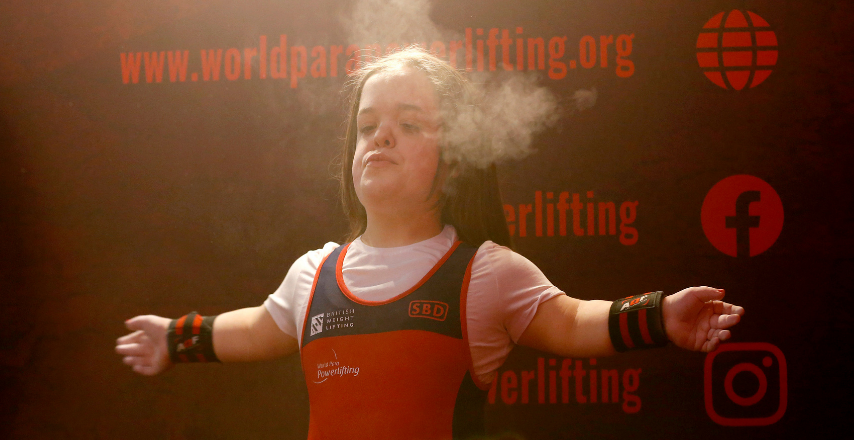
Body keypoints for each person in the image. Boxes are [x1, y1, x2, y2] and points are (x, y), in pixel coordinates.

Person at [116, 47, 744, 439]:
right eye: (368, 127)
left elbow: (578, 321)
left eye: (408, 124)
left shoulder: (487, 275)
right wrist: (177, 337)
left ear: (453, 164)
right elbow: (255, 329)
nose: (380, 137)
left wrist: (661, 316)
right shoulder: (312, 274)